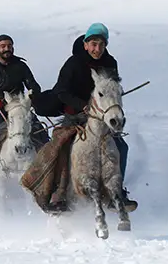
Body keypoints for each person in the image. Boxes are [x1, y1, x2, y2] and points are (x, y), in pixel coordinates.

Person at [51, 22, 137, 211]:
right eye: (93, 44)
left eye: (101, 45)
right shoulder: (73, 63)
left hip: (101, 117)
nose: (97, 49)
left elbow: (112, 89)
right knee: (61, 146)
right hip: (76, 115)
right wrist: (82, 105)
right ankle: (60, 192)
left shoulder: (110, 63)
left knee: (121, 148)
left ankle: (117, 192)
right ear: (85, 44)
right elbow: (62, 92)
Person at [0, 34, 50, 190]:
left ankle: (48, 170)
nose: (7, 48)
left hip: (20, 106)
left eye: (9, 45)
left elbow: (33, 84)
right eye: (3, 46)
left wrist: (32, 94)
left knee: (42, 133)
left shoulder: (20, 66)